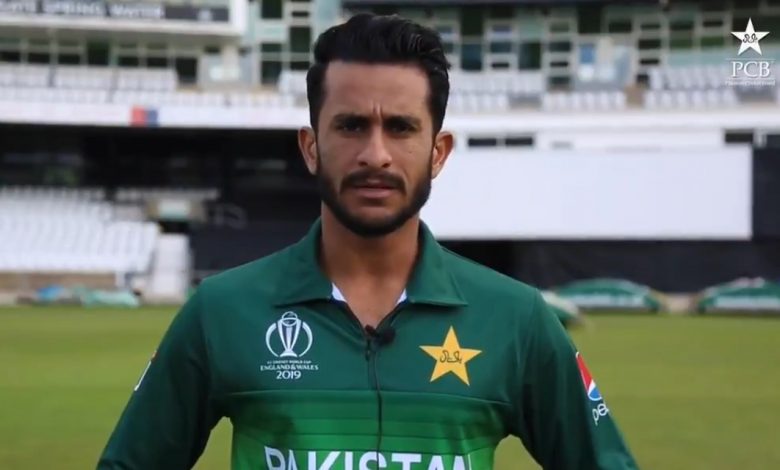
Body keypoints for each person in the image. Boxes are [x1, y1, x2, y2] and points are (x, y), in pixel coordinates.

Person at [97, 13, 639, 470]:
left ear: (438, 152)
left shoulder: (516, 319)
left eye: (401, 128)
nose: (375, 155)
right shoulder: (222, 310)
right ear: (311, 147)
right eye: (351, 126)